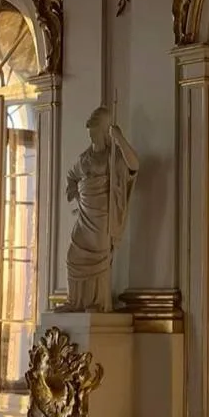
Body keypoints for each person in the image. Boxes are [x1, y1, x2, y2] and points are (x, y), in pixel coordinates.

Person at [63, 107, 139, 312]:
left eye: (95, 130)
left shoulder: (112, 158)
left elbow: (134, 165)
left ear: (104, 131)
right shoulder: (84, 158)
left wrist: (120, 139)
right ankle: (75, 301)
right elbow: (71, 176)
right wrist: (75, 193)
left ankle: (97, 302)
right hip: (84, 216)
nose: (91, 134)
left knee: (99, 259)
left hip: (102, 217)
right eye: (90, 130)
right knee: (73, 256)